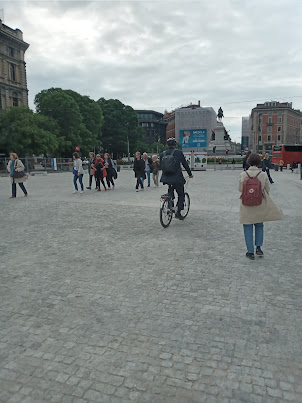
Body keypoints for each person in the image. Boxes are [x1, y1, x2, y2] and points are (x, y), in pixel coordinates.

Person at [239, 153, 283, 260]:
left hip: (247, 205)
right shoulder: (263, 174)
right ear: (259, 162)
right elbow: (267, 189)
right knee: (259, 225)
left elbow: (240, 189)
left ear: (249, 162)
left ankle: (250, 252)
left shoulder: (243, 174)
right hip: (259, 203)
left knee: (247, 227)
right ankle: (258, 247)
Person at [160, 138, 193, 220]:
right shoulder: (178, 153)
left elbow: (162, 166)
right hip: (177, 178)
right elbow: (185, 164)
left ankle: (169, 204)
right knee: (181, 194)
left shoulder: (162, 154)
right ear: (175, 145)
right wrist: (190, 174)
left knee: (170, 192)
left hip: (166, 178)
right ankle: (178, 212)